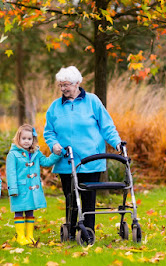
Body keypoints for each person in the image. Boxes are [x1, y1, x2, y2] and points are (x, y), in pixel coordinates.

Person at [43, 66, 122, 241]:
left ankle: (87, 233)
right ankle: (71, 231)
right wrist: (53, 144)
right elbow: (49, 132)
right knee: (70, 198)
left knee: (88, 198)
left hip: (91, 160)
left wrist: (116, 142)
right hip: (66, 161)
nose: (63, 88)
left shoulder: (92, 101)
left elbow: (107, 126)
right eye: (61, 85)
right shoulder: (55, 107)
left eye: (67, 85)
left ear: (78, 83)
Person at [6, 124, 61, 245]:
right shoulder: (13, 154)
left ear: (33, 140)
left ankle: (29, 236)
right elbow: (10, 173)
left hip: (32, 190)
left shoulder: (36, 153)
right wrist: (13, 189)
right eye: (24, 138)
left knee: (30, 211)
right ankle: (20, 236)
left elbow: (46, 162)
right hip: (20, 189)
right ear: (18, 139)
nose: (26, 141)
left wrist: (56, 155)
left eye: (29, 139)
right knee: (19, 211)